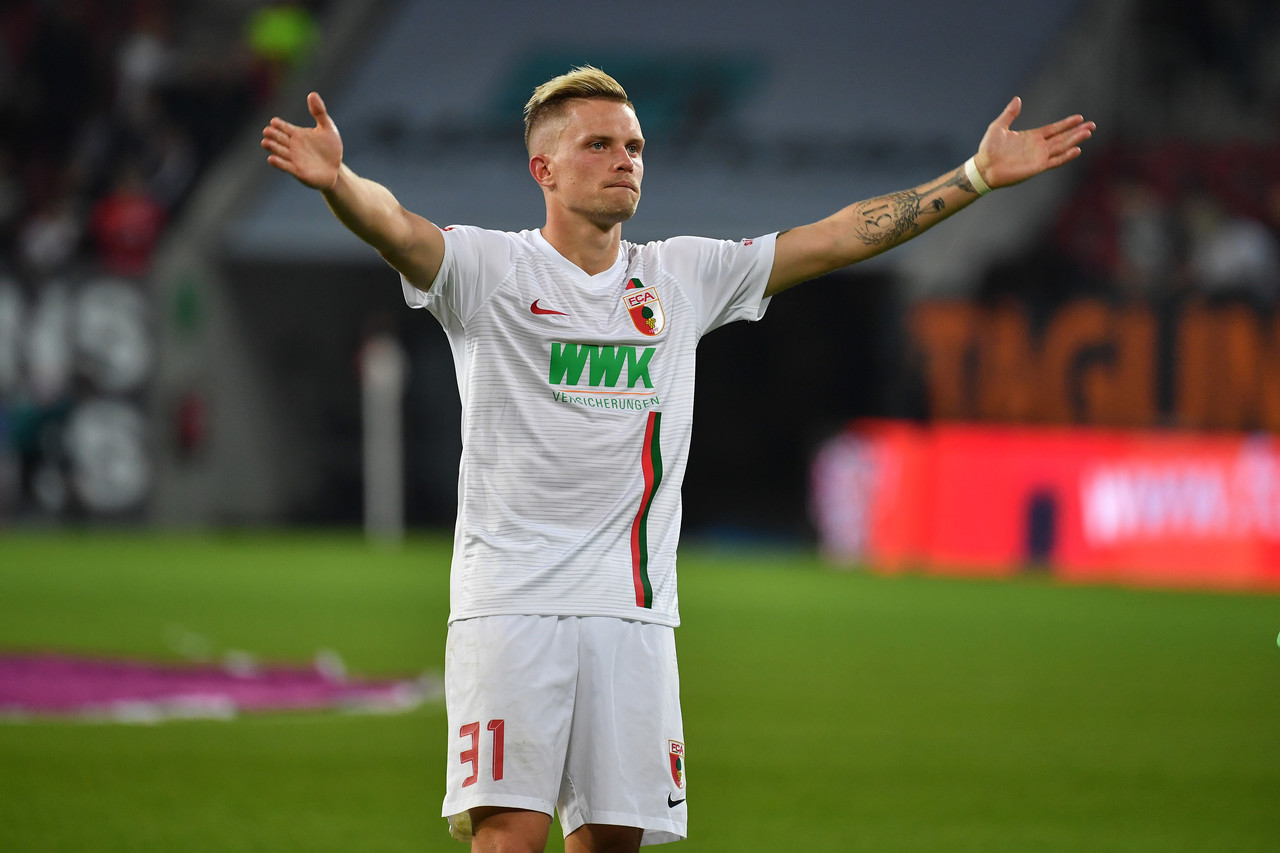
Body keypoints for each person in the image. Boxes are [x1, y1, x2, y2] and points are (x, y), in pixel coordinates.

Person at [261, 66, 1093, 853]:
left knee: (613, 837)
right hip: (511, 605)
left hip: (634, 613)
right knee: (509, 834)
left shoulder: (680, 275)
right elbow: (397, 227)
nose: (624, 160)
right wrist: (339, 184)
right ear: (543, 168)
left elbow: (836, 238)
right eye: (599, 145)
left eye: (634, 146)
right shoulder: (491, 269)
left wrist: (975, 176)